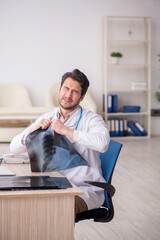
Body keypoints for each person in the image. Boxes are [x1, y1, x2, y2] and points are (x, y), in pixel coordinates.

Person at [10, 69, 110, 216]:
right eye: (66, 88)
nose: (68, 95)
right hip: (53, 184)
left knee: (55, 210)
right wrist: (33, 131)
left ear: (82, 97)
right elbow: (14, 147)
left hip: (84, 188)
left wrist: (66, 131)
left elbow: (103, 144)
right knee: (20, 203)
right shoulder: (47, 117)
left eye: (75, 92)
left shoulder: (92, 119)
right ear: (60, 89)